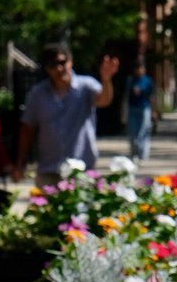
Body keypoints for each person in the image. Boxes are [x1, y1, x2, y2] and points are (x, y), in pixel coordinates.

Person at [14, 42, 119, 185]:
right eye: (52, 65)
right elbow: (27, 129)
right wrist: (20, 164)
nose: (59, 68)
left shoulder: (86, 86)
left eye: (62, 62)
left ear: (70, 61)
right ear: (47, 69)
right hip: (49, 171)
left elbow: (104, 100)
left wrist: (106, 80)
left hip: (82, 170)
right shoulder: (38, 94)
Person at [125, 59, 156, 163]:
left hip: (144, 109)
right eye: (137, 68)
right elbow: (126, 96)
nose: (139, 70)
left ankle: (142, 155)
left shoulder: (148, 81)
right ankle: (134, 154)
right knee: (132, 133)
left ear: (144, 69)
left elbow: (152, 96)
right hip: (132, 109)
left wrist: (154, 111)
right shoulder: (130, 80)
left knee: (143, 132)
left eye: (141, 68)